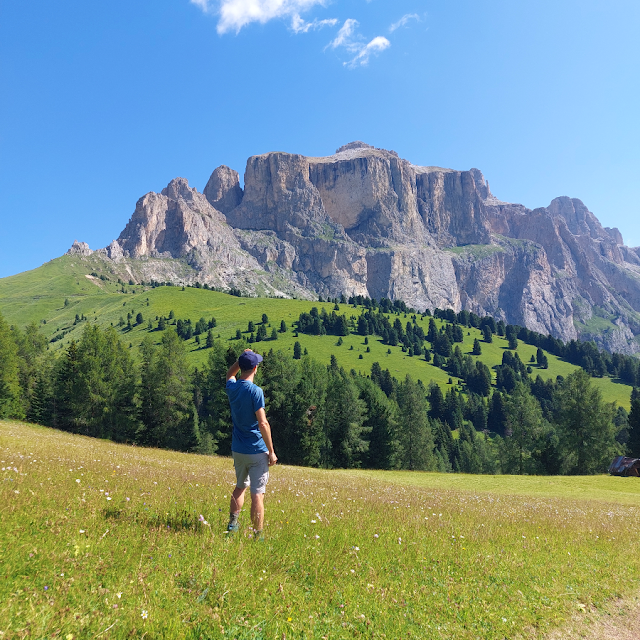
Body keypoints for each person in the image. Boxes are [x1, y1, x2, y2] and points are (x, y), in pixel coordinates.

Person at [225, 349, 277, 540]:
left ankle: (232, 524)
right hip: (256, 450)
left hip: (238, 449)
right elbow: (263, 423)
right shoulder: (256, 392)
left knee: (240, 486)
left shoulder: (232, 388)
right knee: (258, 494)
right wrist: (271, 451)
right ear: (255, 368)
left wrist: (240, 359)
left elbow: (230, 374)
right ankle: (258, 535)